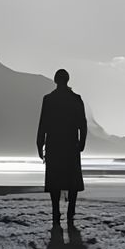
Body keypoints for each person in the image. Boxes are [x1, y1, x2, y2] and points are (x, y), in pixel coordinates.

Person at [36, 68, 87, 228]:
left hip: (54, 145)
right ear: (67, 80)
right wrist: (82, 142)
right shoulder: (76, 99)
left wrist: (39, 144)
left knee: (54, 181)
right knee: (72, 181)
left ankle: (56, 212)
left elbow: (42, 124)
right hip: (71, 145)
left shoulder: (49, 99)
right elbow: (83, 124)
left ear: (55, 80)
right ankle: (70, 212)